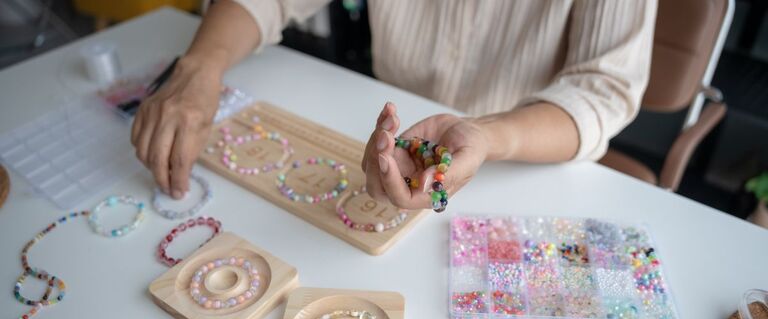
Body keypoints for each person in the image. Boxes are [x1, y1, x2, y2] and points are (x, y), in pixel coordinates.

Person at [131, 0, 656, 211]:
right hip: (388, 117)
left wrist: (489, 135)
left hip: (526, 156)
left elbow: (602, 89)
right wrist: (200, 68)